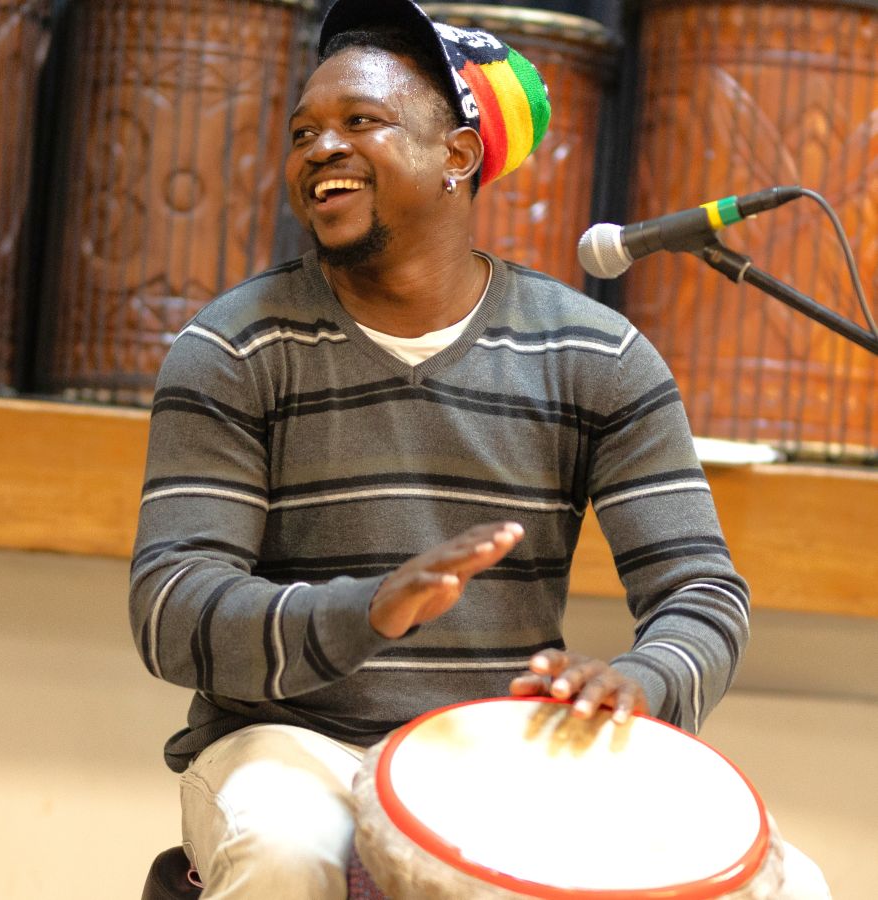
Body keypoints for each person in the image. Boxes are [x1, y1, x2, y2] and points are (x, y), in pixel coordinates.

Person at [129, 0, 828, 897]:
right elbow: (171, 610)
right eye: (304, 130)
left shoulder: (595, 356)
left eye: (360, 121)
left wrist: (637, 682)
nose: (319, 148)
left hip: (499, 749)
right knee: (285, 849)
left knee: (787, 882)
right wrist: (367, 609)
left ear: (458, 156)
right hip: (291, 743)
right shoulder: (232, 349)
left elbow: (701, 590)